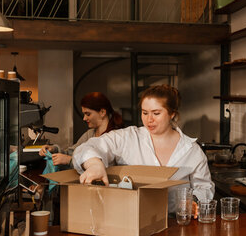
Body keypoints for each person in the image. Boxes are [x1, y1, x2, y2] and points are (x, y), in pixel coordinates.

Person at [72, 85, 214, 212]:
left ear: (172, 114)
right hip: (133, 219)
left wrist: (194, 201)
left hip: (176, 224)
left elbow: (204, 187)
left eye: (156, 113)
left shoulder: (191, 150)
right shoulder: (129, 138)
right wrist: (95, 164)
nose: (149, 119)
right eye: (145, 113)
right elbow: (86, 148)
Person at [39, 92, 123, 167]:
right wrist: (54, 149)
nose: (84, 118)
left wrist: (70, 160)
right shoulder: (89, 134)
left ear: (102, 112)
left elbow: (101, 166)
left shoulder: (116, 137)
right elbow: (72, 152)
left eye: (88, 114)